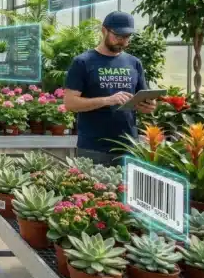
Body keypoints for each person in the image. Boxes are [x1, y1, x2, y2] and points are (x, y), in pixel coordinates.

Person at [63, 11, 157, 166]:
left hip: (129, 146)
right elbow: (70, 103)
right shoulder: (83, 62)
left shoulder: (134, 63)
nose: (122, 41)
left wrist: (149, 106)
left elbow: (144, 101)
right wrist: (107, 100)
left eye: (127, 37)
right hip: (93, 148)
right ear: (104, 30)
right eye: (118, 36)